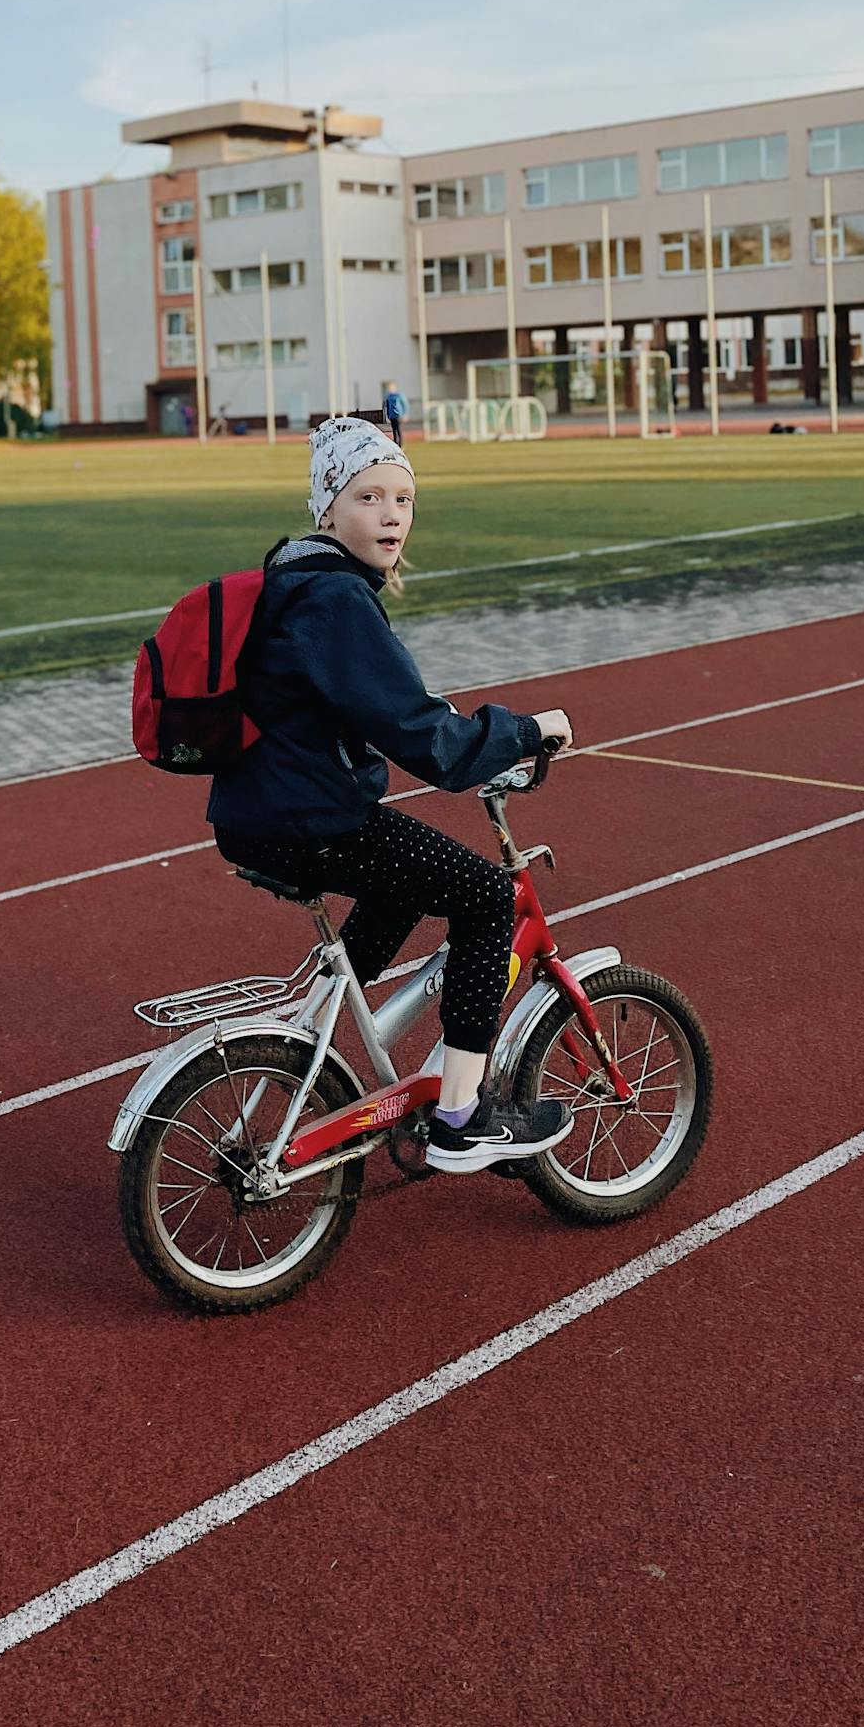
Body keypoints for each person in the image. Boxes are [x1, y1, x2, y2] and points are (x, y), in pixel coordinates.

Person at [207, 415, 575, 1173]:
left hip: (258, 813)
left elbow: (363, 704)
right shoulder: (336, 599)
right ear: (329, 508)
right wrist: (527, 729)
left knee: (403, 880)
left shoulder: (292, 577)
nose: (391, 515)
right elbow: (432, 747)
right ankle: (462, 1122)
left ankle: (323, 1017)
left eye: (403, 500)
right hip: (309, 819)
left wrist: (436, 718)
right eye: (369, 496)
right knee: (483, 896)